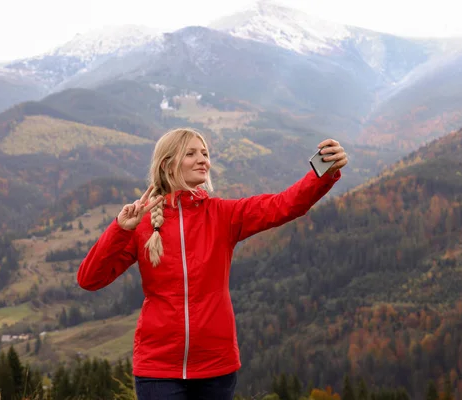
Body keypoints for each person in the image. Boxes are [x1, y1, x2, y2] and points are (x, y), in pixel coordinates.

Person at [77, 128, 347, 399]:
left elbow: (284, 205)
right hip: (157, 369)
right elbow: (90, 279)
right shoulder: (141, 225)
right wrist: (120, 229)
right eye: (191, 153)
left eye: (205, 154)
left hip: (216, 367)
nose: (203, 160)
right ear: (167, 164)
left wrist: (323, 173)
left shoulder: (223, 215)